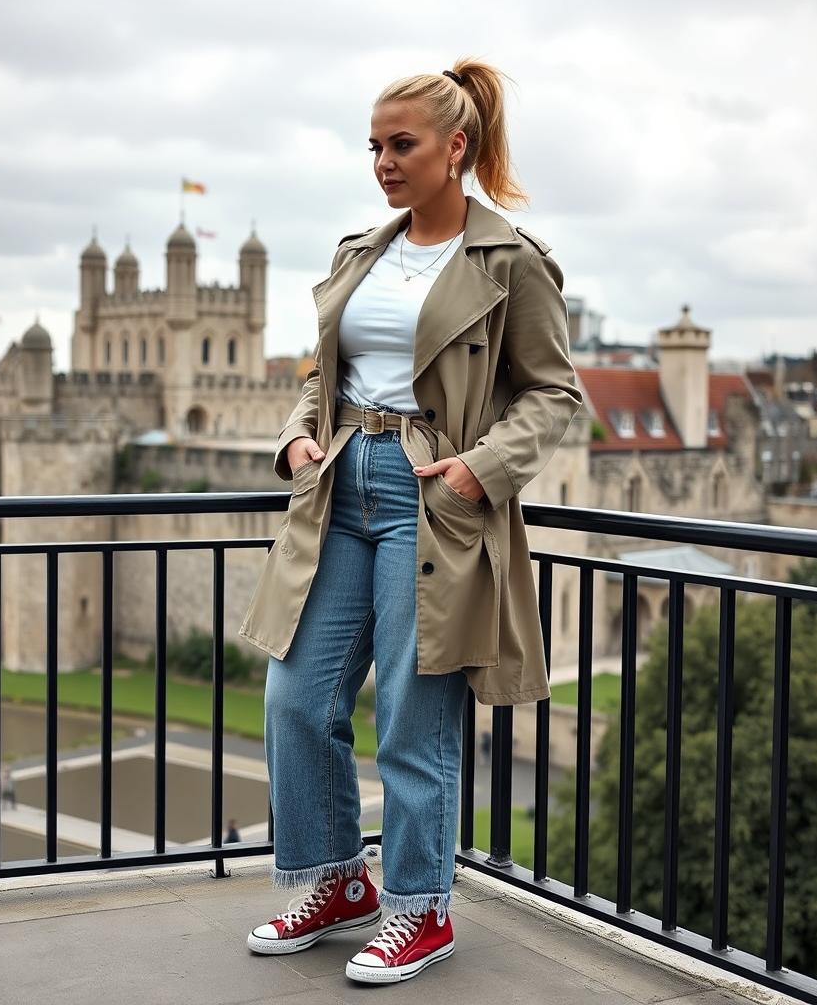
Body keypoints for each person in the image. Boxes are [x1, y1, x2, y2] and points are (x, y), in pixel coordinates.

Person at [240, 57, 582, 985]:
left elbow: (553, 394)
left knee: (412, 712)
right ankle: (337, 883)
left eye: (402, 144)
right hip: (339, 485)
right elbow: (321, 377)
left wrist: (478, 470)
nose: (383, 162)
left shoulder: (509, 262)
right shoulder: (362, 252)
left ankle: (420, 909)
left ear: (455, 148)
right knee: (297, 700)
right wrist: (297, 439)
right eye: (374, 146)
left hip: (432, 495)